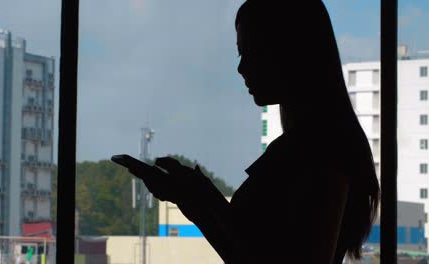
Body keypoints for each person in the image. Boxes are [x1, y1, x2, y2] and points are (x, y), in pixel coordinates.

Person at [111, 1, 381, 263]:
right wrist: (194, 197)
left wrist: (197, 199)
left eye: (252, 52)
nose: (241, 67)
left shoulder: (318, 154)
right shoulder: (321, 148)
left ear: (292, 52)